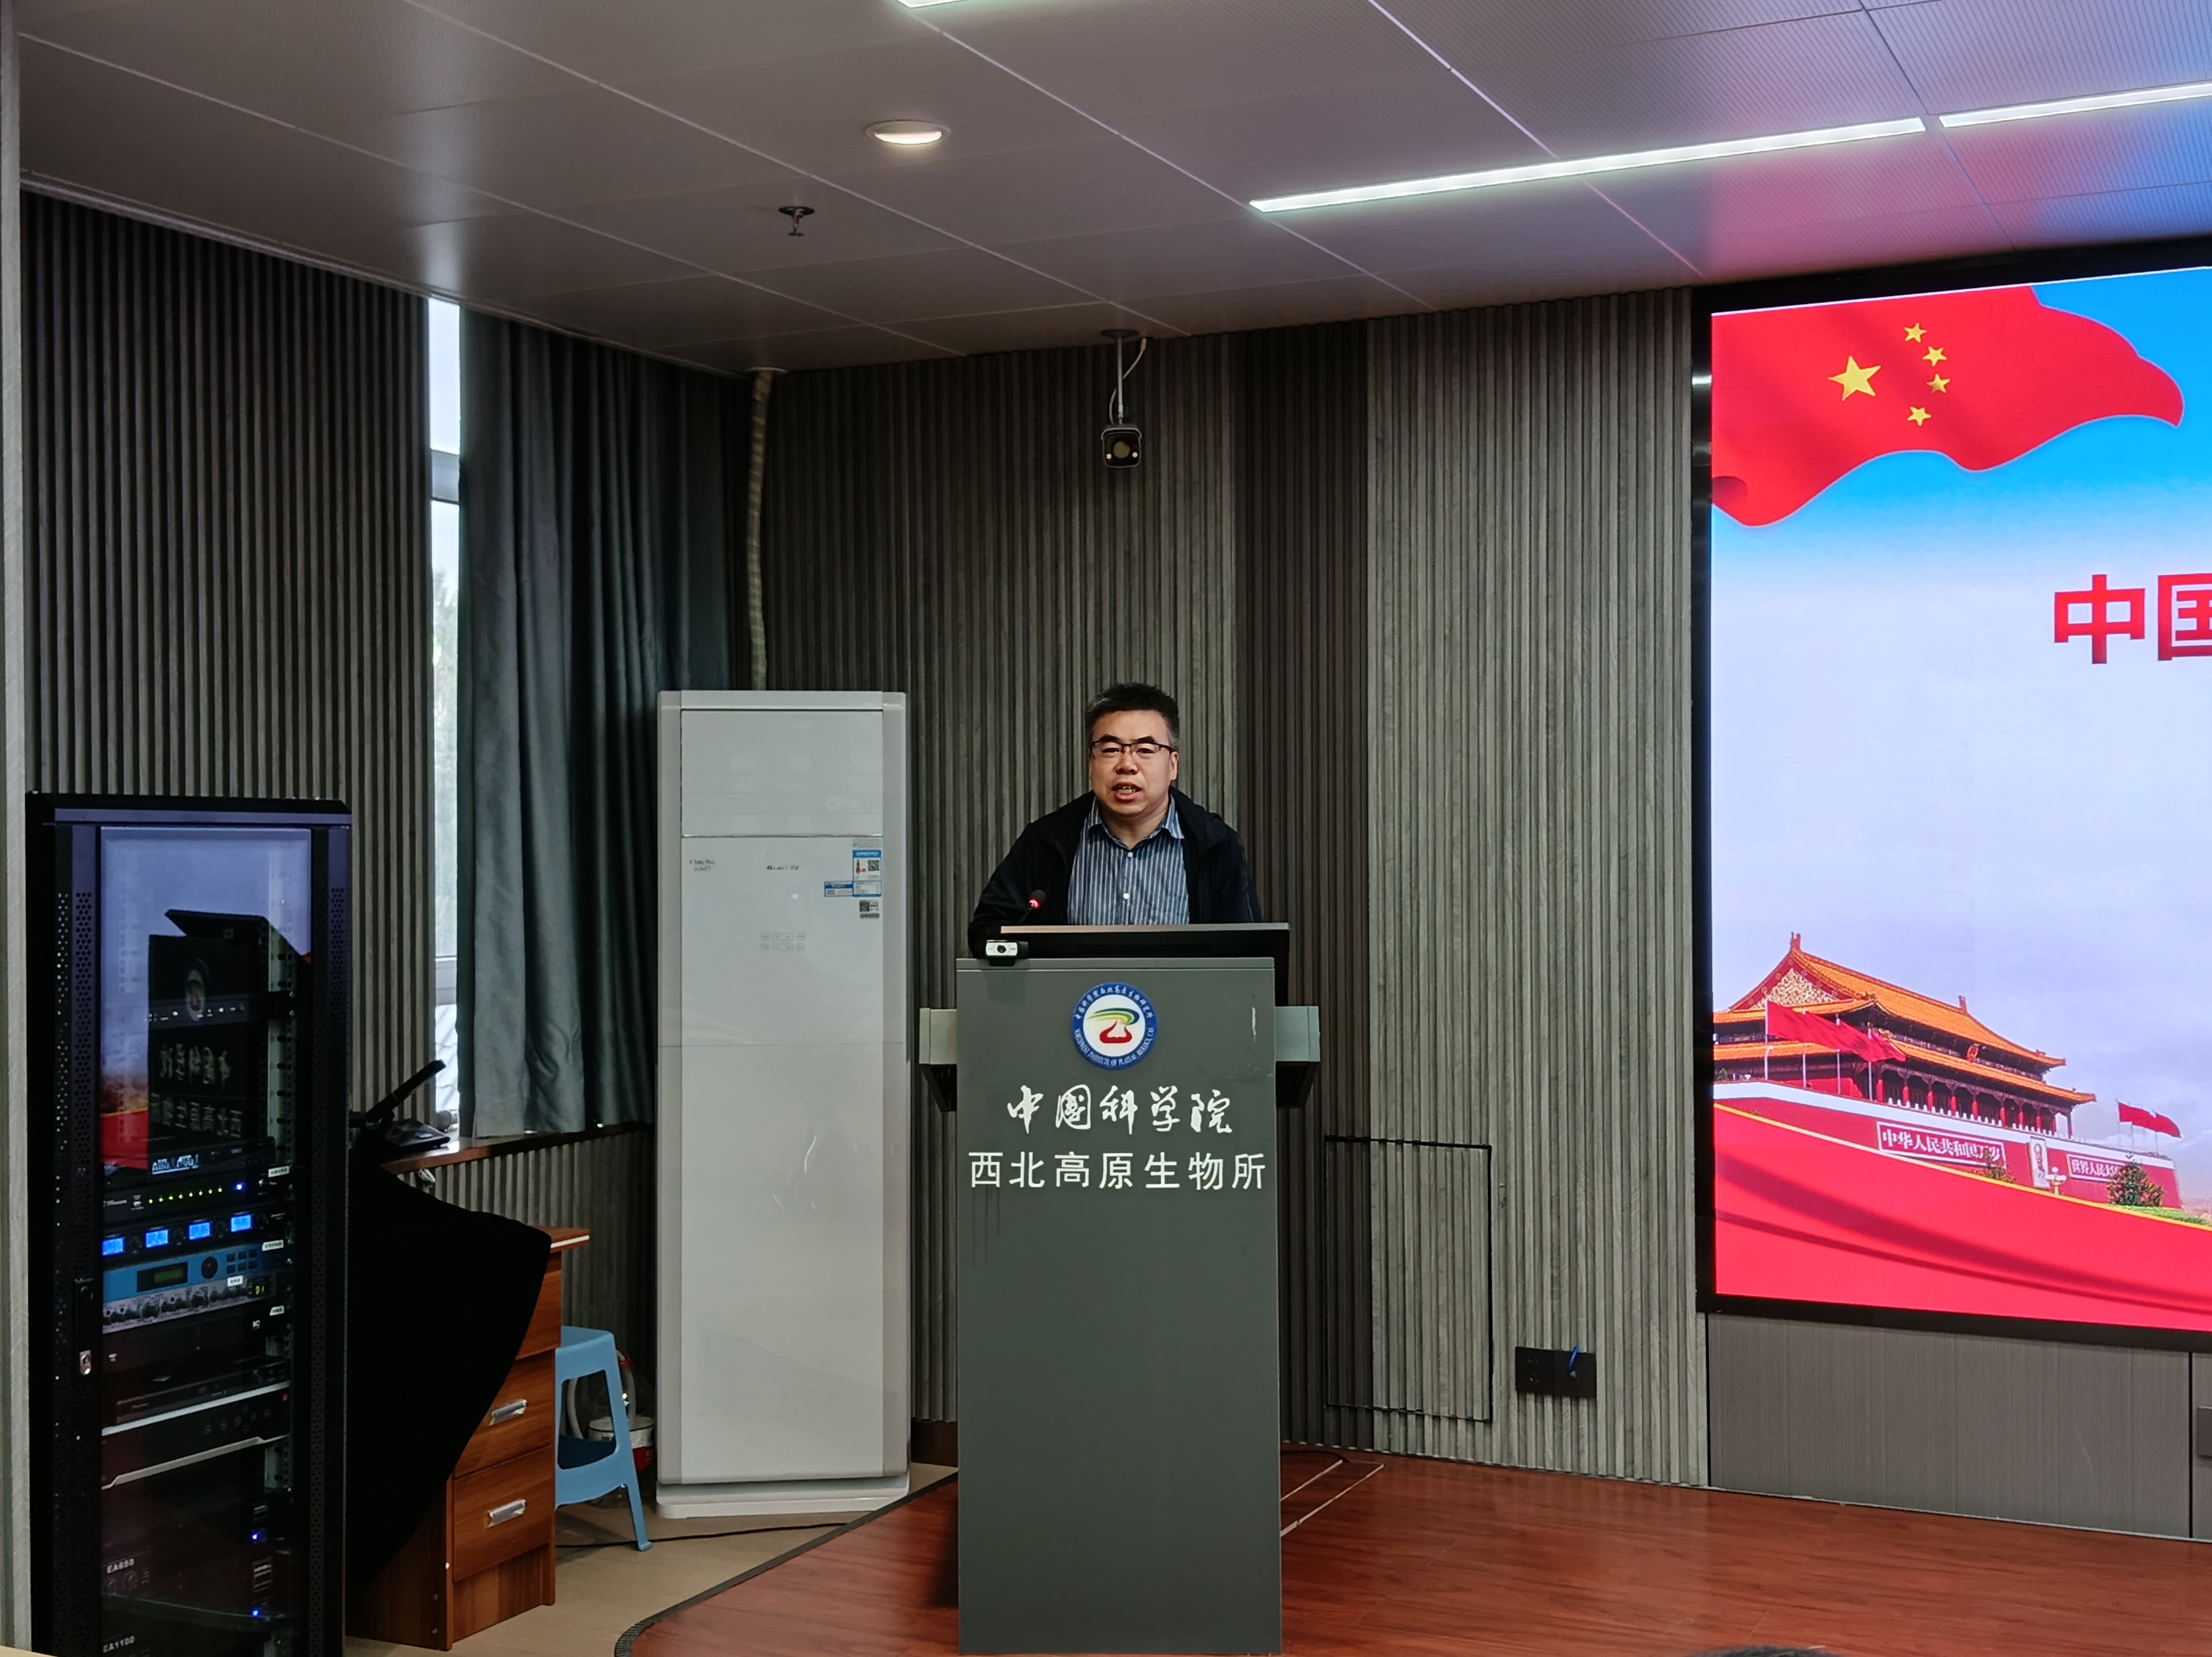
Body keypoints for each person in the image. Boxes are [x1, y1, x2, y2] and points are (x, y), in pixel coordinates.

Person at [969, 682, 1261, 956]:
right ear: (1091, 763)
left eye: (1145, 750)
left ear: (1172, 765)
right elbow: (989, 932)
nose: (1127, 765)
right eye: (1110, 750)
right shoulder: (1046, 842)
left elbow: (1249, 956)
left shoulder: (1215, 845)